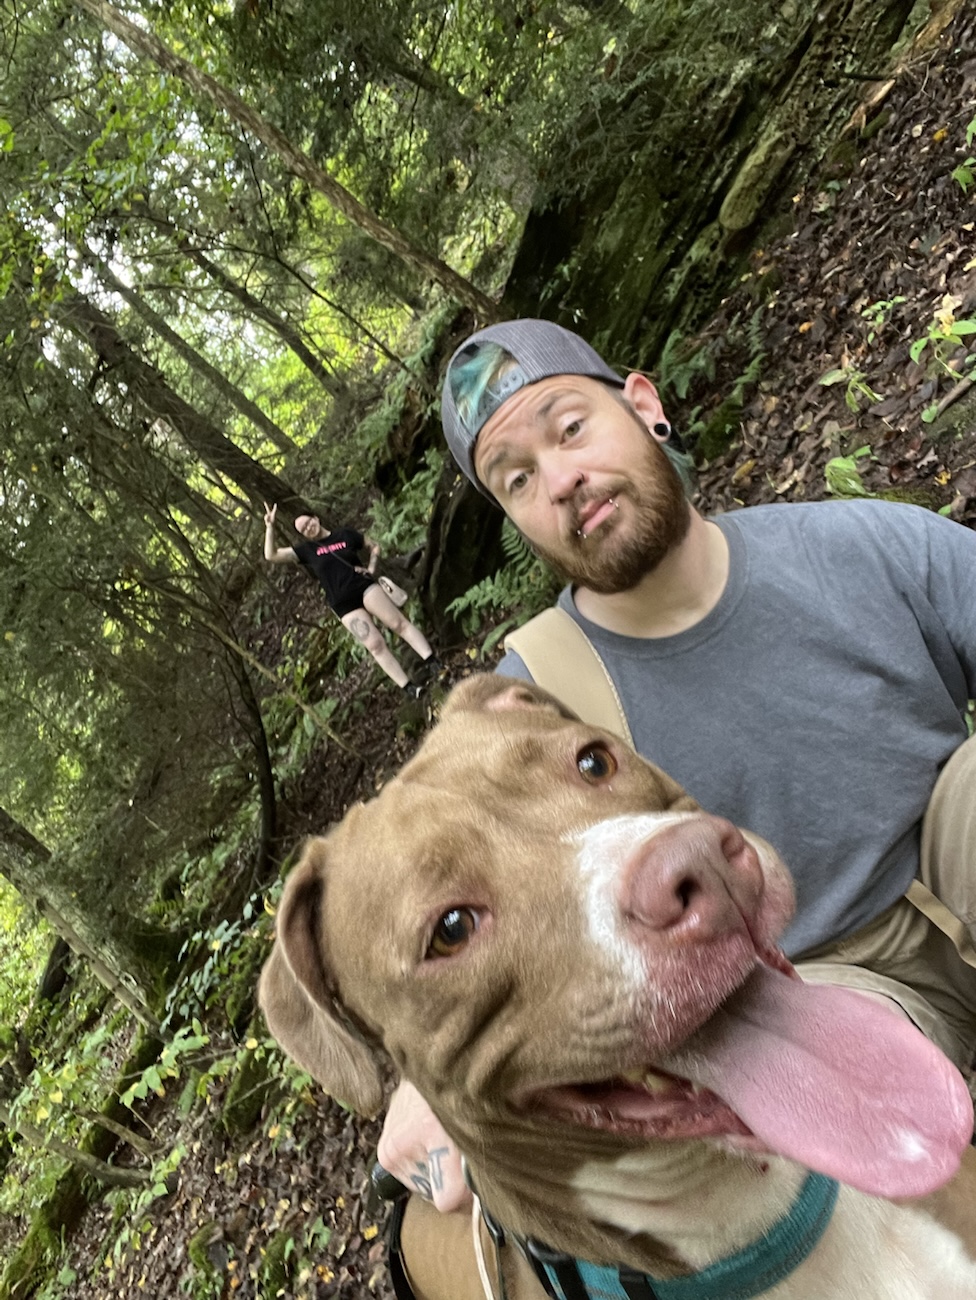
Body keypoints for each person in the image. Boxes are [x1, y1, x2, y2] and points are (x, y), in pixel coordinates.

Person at [376, 317, 976, 1210]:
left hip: (953, 859)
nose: (562, 479)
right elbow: (464, 883)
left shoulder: (858, 548)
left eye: (569, 427)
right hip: (802, 992)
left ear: (644, 404)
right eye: (518, 479)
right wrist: (430, 1079)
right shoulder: (535, 706)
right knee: (792, 1169)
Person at [262, 503, 438, 696]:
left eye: (308, 523)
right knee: (375, 645)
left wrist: (371, 568)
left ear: (315, 518)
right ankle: (409, 688)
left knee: (398, 624)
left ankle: (432, 661)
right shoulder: (307, 550)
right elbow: (271, 555)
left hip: (363, 587)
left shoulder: (345, 535)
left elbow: (373, 546)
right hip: (343, 604)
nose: (308, 528)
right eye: (302, 529)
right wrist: (270, 526)